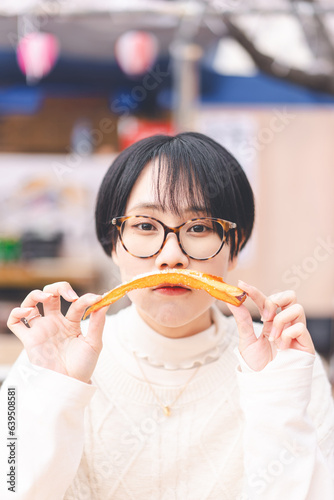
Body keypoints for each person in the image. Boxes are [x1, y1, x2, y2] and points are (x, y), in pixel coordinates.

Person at [0, 132, 333, 500]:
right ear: (113, 244)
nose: (171, 256)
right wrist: (55, 391)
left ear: (234, 249)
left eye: (199, 227)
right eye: (145, 225)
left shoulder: (284, 366)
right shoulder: (51, 360)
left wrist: (276, 395)